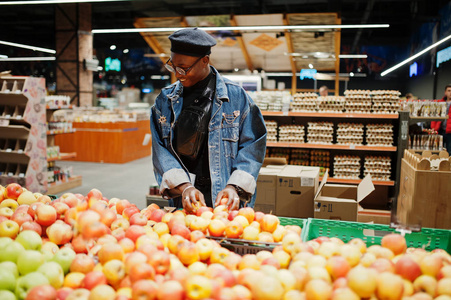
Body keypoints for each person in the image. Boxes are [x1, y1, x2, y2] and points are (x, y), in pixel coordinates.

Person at [150, 28, 267, 213]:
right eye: (173, 66)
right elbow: (160, 150)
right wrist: (185, 187)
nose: (178, 74)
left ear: (205, 60)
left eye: (184, 68)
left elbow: (253, 146)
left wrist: (234, 186)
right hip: (186, 197)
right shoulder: (165, 101)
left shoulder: (236, 97)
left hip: (227, 198)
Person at [431, 84, 451, 155]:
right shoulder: (440, 103)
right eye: (449, 91)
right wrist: (433, 128)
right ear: (445, 92)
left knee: (449, 152)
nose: (450, 93)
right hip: (440, 131)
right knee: (437, 151)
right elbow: (434, 117)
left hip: (450, 132)